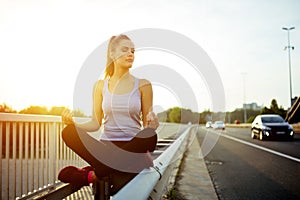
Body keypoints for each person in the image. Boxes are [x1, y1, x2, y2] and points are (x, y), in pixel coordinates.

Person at [58, 34, 159, 191]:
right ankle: (102, 169)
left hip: (132, 146)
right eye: (125, 50)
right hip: (106, 148)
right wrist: (74, 123)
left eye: (133, 51)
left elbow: (148, 122)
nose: (130, 54)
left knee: (150, 135)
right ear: (112, 54)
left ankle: (91, 174)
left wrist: (152, 123)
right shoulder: (99, 86)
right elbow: (95, 123)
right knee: (68, 132)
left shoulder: (144, 85)